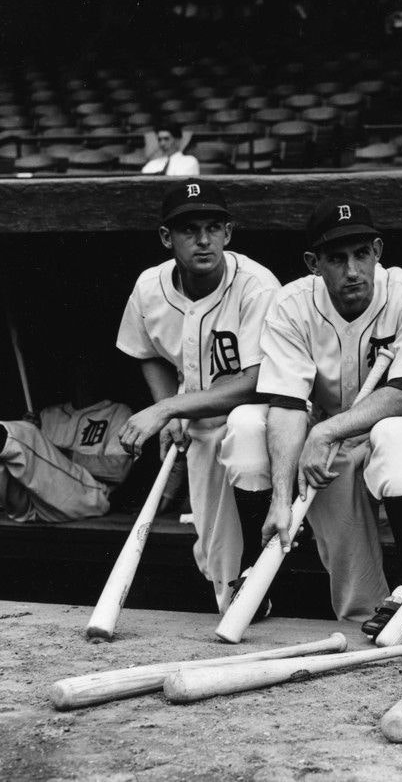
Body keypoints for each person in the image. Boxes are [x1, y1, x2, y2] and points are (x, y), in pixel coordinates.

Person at [256, 199, 402, 633]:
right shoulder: (292, 303)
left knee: (394, 437)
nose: (352, 270)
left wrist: (325, 432)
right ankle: (365, 618)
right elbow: (284, 402)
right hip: (332, 436)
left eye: (361, 255)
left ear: (377, 251)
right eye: (336, 259)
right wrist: (280, 499)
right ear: (313, 263)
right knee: (326, 473)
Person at [116, 179, 280, 613]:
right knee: (213, 554)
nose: (203, 240)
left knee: (246, 444)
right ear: (167, 237)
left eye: (213, 227)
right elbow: (145, 351)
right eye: (189, 230)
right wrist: (170, 412)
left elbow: (256, 382)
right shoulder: (150, 287)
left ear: (229, 232)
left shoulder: (256, 285)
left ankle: (255, 586)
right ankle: (237, 605)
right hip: (196, 417)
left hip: (257, 419)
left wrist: (166, 408)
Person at [1, 391, 132, 523]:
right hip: (33, 501)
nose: (80, 372)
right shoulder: (48, 414)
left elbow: (118, 471)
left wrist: (58, 452)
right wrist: (31, 437)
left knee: (18, 433)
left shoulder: (118, 411)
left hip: (88, 496)